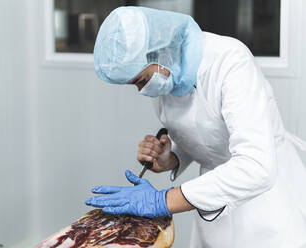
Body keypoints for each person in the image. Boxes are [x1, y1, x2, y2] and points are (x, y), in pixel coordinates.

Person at [85, 6, 306, 248]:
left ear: (157, 52)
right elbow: (206, 131)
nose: (141, 90)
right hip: (211, 197)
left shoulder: (230, 60)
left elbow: (257, 166)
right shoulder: (166, 75)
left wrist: (162, 200)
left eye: (141, 81)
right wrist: (171, 158)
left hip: (266, 198)